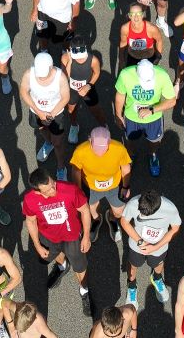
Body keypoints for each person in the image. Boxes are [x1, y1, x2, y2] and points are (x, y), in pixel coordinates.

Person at [22, 166, 94, 314]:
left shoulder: (70, 189)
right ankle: (62, 266)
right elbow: (30, 221)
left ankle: (84, 290)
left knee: (80, 268)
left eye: (53, 185)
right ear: (37, 191)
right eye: (48, 191)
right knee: (53, 255)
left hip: (72, 237)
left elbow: (85, 210)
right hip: (49, 237)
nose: (54, 191)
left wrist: (86, 236)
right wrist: (37, 245)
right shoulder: (30, 199)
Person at [114, 58, 178, 177]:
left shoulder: (162, 75)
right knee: (130, 139)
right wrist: (118, 115)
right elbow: (120, 95)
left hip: (153, 119)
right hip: (131, 117)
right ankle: (131, 155)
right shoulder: (126, 74)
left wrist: (152, 110)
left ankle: (153, 155)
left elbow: (172, 101)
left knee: (154, 140)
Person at [119, 187, 181, 307]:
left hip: (159, 248)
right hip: (137, 246)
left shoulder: (170, 208)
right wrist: (140, 241)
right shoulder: (133, 204)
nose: (141, 216)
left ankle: (157, 278)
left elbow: (175, 229)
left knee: (157, 264)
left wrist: (155, 247)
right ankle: (131, 286)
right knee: (133, 265)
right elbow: (124, 222)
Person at [70, 126, 133, 240]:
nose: (100, 154)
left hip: (114, 186)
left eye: (104, 149)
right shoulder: (80, 151)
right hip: (90, 187)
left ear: (109, 141)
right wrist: (78, 191)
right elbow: (76, 171)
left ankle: (111, 218)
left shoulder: (119, 148)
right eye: (96, 149)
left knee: (119, 212)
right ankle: (97, 220)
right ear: (90, 140)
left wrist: (125, 186)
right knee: (90, 211)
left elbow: (125, 168)